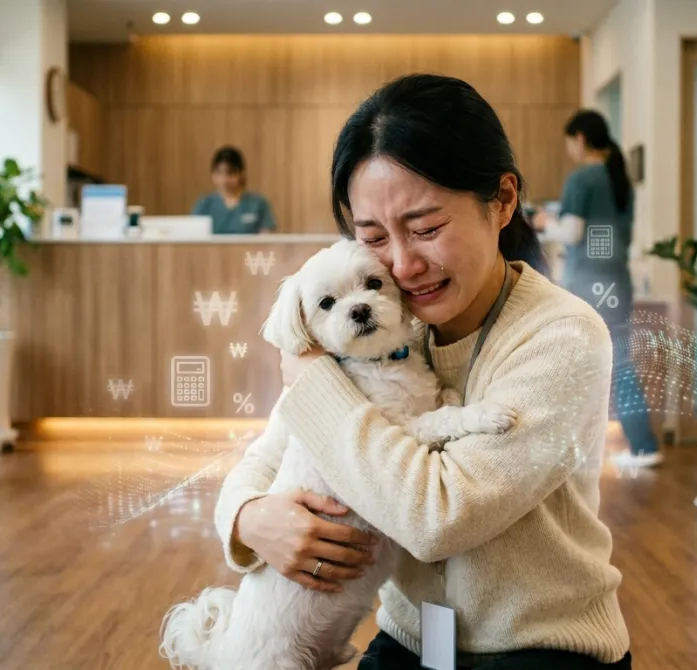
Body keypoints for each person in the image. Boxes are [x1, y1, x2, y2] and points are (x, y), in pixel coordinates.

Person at [214, 74, 633, 669]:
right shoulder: (386, 334)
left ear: (502, 200)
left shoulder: (562, 336)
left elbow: (437, 518)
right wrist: (249, 518)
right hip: (413, 640)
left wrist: (312, 382)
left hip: (541, 645)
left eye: (426, 229)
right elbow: (265, 458)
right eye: (374, 238)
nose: (404, 265)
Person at [534, 109, 661, 470]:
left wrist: (543, 222)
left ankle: (569, 449)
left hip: (588, 283)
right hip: (616, 281)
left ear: (580, 139)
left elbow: (573, 233)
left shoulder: (582, 179)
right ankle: (641, 443)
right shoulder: (620, 180)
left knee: (576, 363)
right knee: (617, 361)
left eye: (570, 144)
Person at [192, 145, 277, 234]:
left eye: (230, 173)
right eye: (219, 173)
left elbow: (266, 235)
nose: (224, 180)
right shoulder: (204, 205)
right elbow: (194, 235)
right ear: (213, 175)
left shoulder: (257, 204)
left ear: (240, 174)